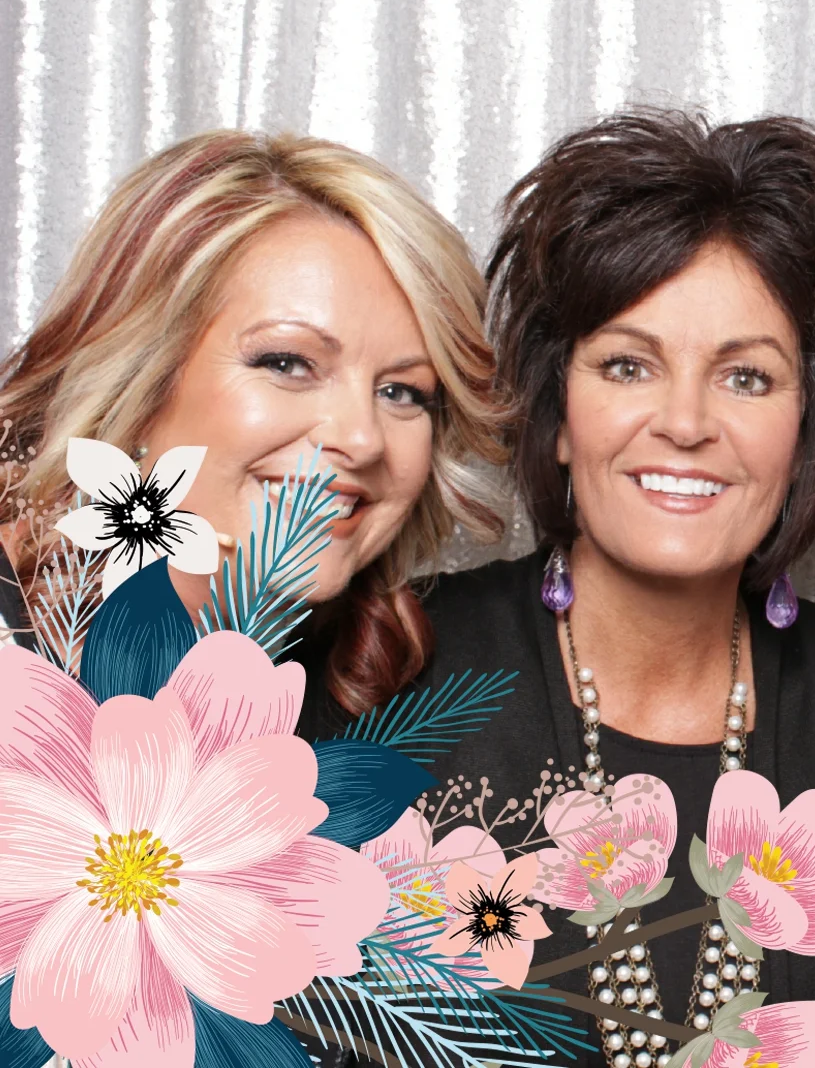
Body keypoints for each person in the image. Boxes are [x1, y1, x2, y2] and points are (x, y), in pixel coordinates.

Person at [360, 110, 815, 1068]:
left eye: (747, 377)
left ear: (806, 429)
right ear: (558, 414)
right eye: (627, 365)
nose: (686, 422)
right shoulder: (390, 669)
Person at [0, 130, 504, 717]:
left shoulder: (374, 691)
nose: (363, 440)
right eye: (287, 364)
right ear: (140, 378)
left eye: (402, 392)